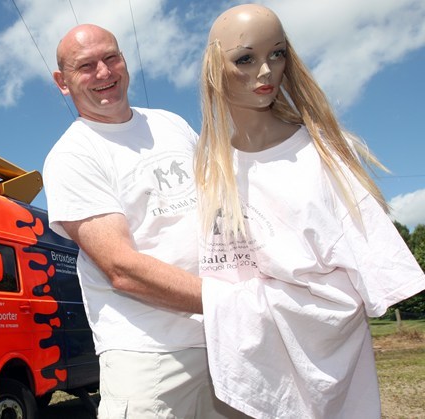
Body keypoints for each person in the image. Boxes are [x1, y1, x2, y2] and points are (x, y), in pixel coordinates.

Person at [195, 4, 425, 419]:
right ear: (215, 68)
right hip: (237, 386)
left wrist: (242, 300)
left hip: (326, 387)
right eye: (245, 58)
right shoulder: (206, 169)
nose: (265, 71)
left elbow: (356, 290)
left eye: (277, 53)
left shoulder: (325, 156)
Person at [43, 24, 242, 418]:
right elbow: (122, 269)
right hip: (149, 353)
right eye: (86, 66)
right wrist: (236, 303)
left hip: (225, 342)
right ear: (62, 82)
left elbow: (222, 208)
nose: (104, 72)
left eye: (111, 57)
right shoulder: (72, 156)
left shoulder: (171, 124)